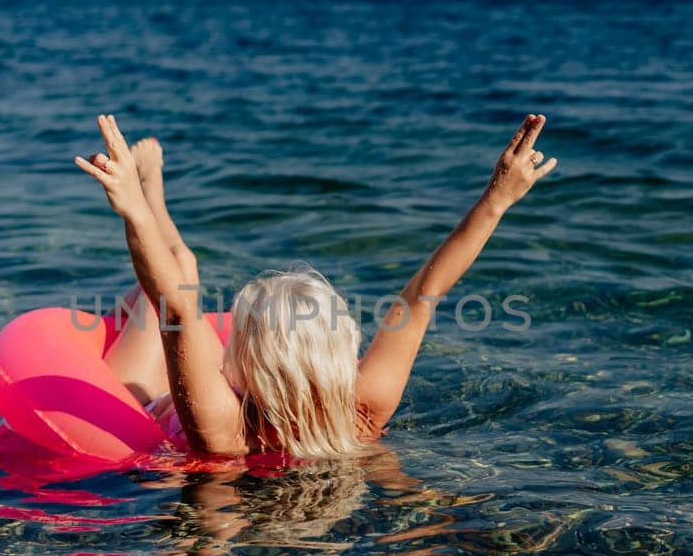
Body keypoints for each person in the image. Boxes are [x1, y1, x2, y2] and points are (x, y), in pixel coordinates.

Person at [74, 113, 557, 459]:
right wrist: (497, 200)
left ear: (241, 364)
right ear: (341, 353)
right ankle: (154, 193)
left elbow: (175, 310)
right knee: (179, 269)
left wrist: (133, 211)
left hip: (142, 400)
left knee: (180, 265)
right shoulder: (362, 411)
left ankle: (152, 197)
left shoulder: (221, 428)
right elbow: (421, 299)